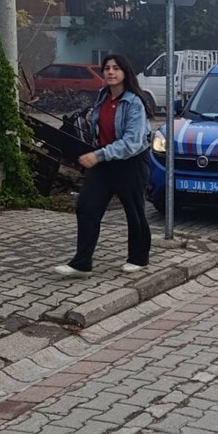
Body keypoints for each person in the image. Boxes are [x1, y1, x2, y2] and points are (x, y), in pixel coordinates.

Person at [54, 54, 153, 276]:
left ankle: (139, 258)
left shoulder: (134, 103)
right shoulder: (102, 96)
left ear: (125, 73)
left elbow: (132, 143)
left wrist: (98, 155)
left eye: (115, 68)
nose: (110, 72)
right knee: (87, 207)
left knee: (134, 211)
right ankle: (82, 263)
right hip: (104, 161)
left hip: (131, 162)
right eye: (106, 68)